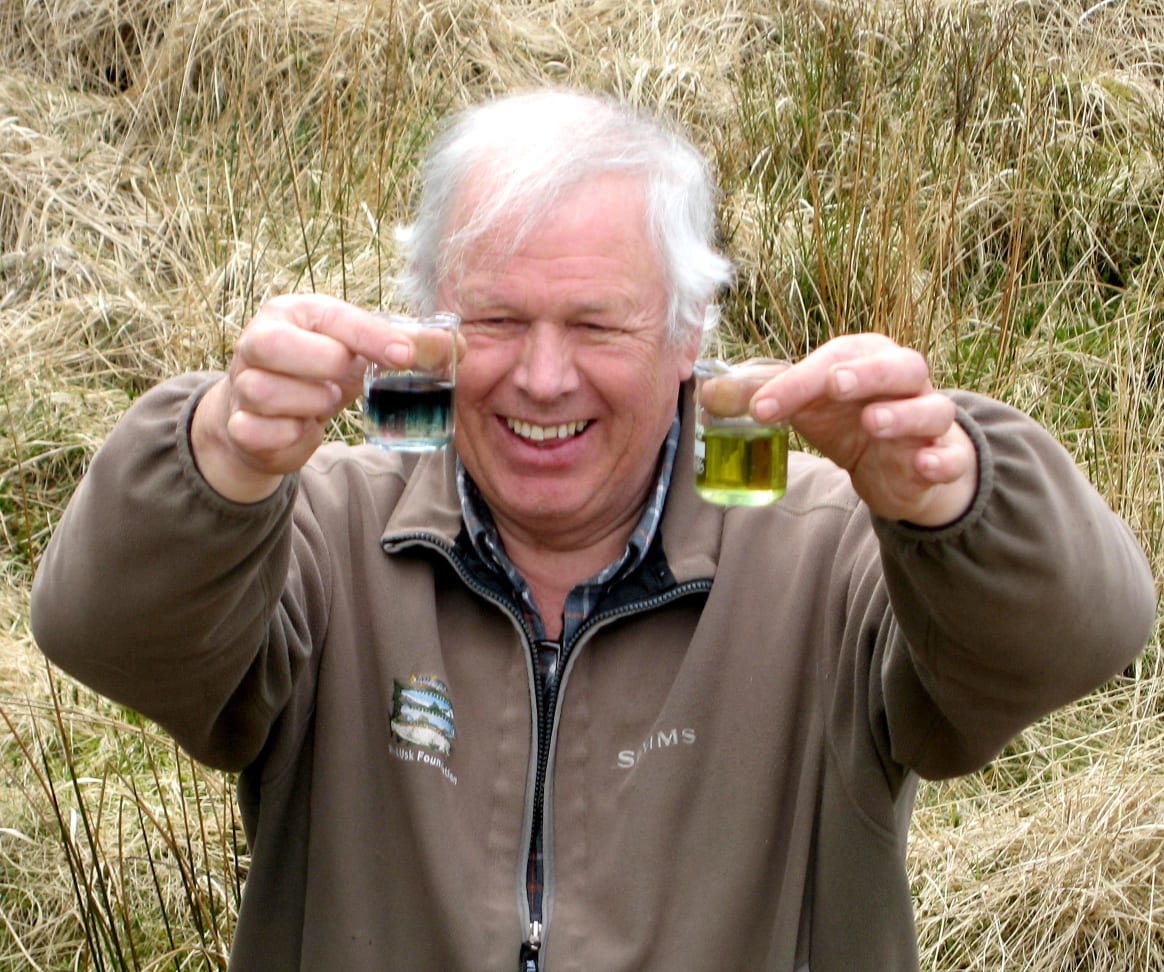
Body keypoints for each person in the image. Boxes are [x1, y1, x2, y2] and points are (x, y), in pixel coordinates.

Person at [31, 87, 1155, 972]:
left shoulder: (827, 556)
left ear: (688, 332)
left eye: (598, 323)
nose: (544, 375)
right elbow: (104, 634)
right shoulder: (322, 539)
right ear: (426, 327)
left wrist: (948, 502)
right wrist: (216, 464)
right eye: (498, 319)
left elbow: (1075, 641)